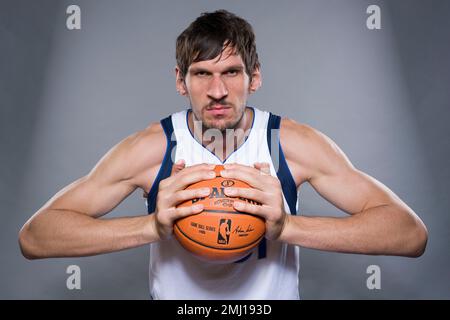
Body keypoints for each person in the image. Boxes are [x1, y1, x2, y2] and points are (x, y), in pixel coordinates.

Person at [18, 10, 428, 299]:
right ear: (181, 81)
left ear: (255, 76)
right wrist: (151, 227)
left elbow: (409, 234)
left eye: (231, 72)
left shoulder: (290, 144)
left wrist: (287, 227)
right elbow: (36, 237)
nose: (217, 91)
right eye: (202, 74)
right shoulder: (154, 148)